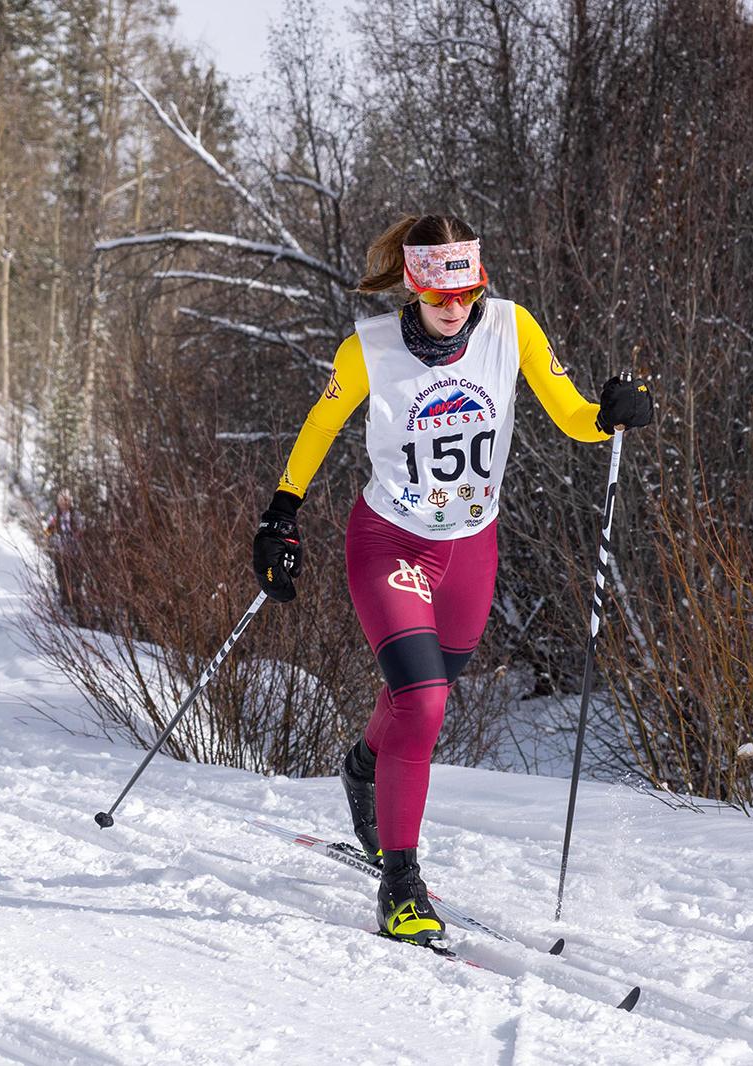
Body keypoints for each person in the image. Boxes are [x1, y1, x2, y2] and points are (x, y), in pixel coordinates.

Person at [250, 214, 653, 945]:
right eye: (440, 294)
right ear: (413, 282)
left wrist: (612, 416)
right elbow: (318, 427)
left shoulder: (512, 328)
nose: (454, 307)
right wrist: (281, 514)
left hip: (471, 547)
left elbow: (573, 416)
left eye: (466, 293)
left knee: (434, 684)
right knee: (425, 701)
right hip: (389, 542)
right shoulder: (367, 348)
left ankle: (364, 765)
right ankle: (400, 881)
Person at [43, 490, 83, 615]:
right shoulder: (55, 516)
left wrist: (75, 536)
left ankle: (76, 606)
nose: (64, 503)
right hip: (60, 554)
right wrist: (53, 538)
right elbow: (47, 533)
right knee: (61, 579)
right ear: (58, 502)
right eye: (62, 500)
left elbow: (81, 531)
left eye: (67, 500)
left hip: (75, 554)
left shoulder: (75, 515)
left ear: (70, 501)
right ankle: (64, 604)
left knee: (75, 581)